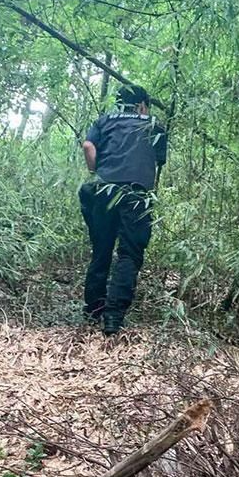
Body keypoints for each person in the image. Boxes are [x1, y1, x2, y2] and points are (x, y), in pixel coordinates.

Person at [79, 84, 167, 336]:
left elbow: (88, 146)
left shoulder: (104, 120)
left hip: (103, 190)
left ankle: (94, 309)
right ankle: (114, 317)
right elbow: (159, 160)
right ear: (142, 105)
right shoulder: (154, 124)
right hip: (136, 194)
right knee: (129, 254)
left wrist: (96, 171)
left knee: (102, 249)